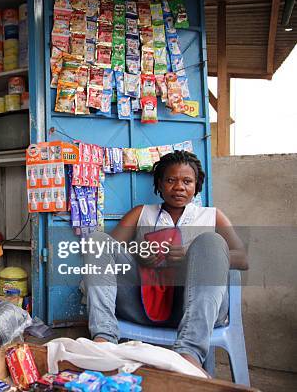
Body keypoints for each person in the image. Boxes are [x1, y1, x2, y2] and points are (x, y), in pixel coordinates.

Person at [83, 150, 247, 374]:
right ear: (159, 184)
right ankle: (103, 340)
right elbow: (108, 250)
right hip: (140, 304)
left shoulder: (212, 216)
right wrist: (135, 251)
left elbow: (242, 258)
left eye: (187, 181)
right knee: (96, 241)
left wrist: (192, 255)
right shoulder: (142, 214)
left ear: (196, 186)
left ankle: (188, 354)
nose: (179, 187)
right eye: (170, 180)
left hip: (194, 311)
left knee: (211, 241)